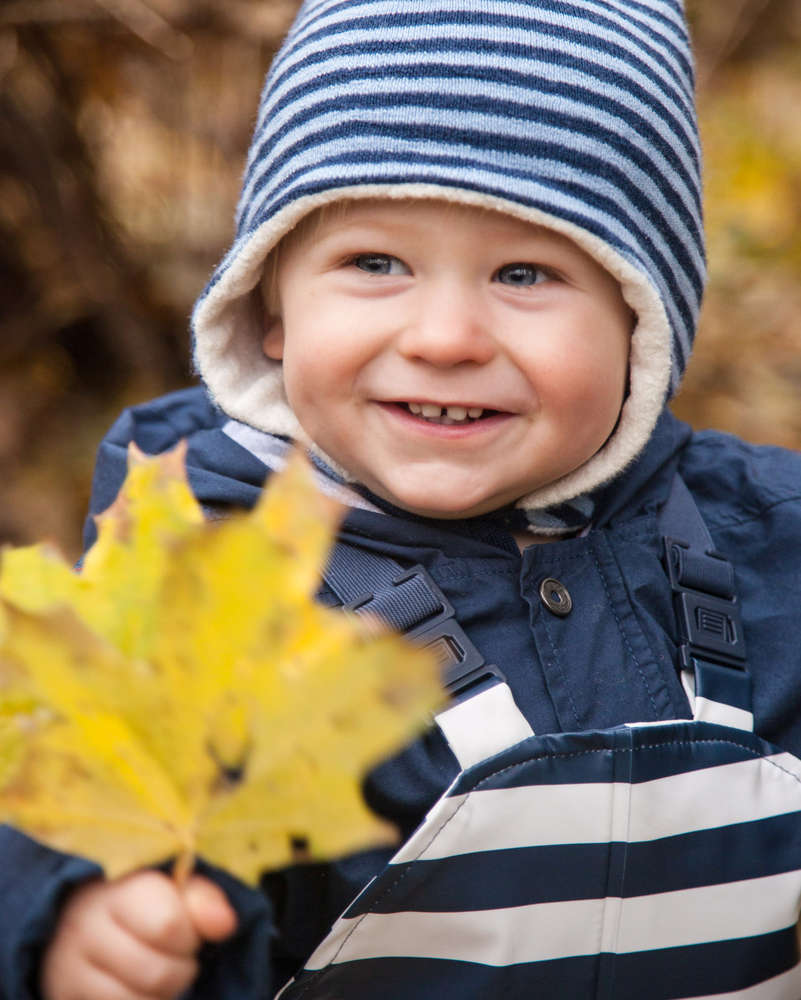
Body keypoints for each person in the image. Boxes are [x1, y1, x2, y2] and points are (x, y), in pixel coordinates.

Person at [3, 1, 801, 998]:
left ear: (639, 325)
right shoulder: (211, 578)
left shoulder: (763, 542)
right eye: (375, 263)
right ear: (272, 308)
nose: (445, 336)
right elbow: (74, 791)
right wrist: (76, 915)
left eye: (525, 271)